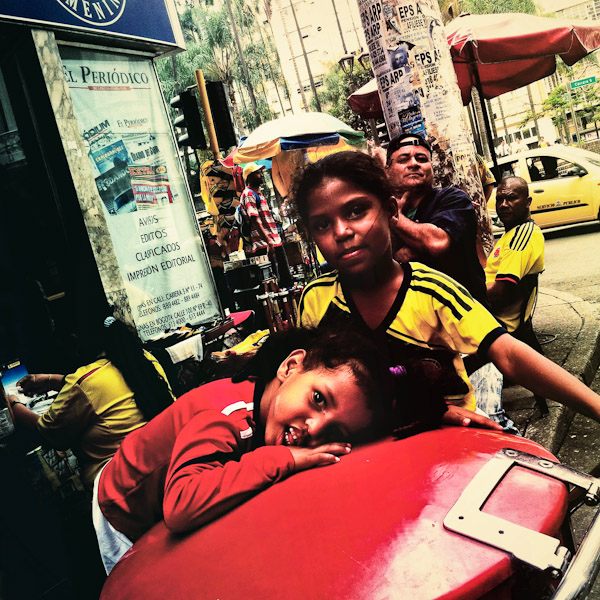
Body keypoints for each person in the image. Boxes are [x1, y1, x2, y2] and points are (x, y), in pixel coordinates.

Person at [292, 151, 600, 429]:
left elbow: (508, 353)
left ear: (390, 210)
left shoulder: (431, 291)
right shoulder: (315, 300)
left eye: (356, 211)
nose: (342, 232)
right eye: (322, 225)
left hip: (452, 449)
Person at [93, 326, 418, 573]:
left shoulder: (273, 412)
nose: (315, 429)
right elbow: (180, 505)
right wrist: (284, 458)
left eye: (335, 430)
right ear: (291, 367)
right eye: (318, 399)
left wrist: (437, 411)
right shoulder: (226, 418)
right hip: (123, 508)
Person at [9, 316, 175, 489]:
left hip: (124, 487)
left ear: (77, 342)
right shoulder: (144, 359)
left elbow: (48, 433)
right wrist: (53, 381)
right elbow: (106, 383)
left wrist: (12, 403)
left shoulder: (86, 381)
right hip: (164, 466)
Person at [385, 133, 488, 306]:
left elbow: (437, 243)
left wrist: (394, 218)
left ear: (431, 168)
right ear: (387, 170)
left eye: (421, 159)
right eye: (403, 159)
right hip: (411, 319)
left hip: (464, 314)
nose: (414, 164)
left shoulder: (453, 199)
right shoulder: (376, 209)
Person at [486, 176, 544, 332]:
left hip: (498, 323)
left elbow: (500, 291)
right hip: (488, 315)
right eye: (499, 199)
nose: (504, 205)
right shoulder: (511, 234)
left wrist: (465, 293)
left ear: (528, 202)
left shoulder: (522, 235)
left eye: (511, 198)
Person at [239, 163, 293, 288]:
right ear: (249, 177)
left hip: (275, 242)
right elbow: (255, 220)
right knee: (275, 284)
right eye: (257, 173)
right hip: (265, 245)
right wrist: (268, 242)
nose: (261, 175)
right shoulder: (248, 194)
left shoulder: (259, 194)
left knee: (286, 281)